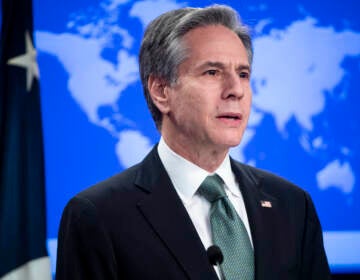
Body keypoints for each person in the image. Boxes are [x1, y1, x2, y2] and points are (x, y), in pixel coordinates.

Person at [55, 5, 331, 280]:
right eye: (212, 72)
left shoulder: (292, 205)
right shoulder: (98, 216)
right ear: (161, 92)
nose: (235, 90)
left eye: (243, 74)